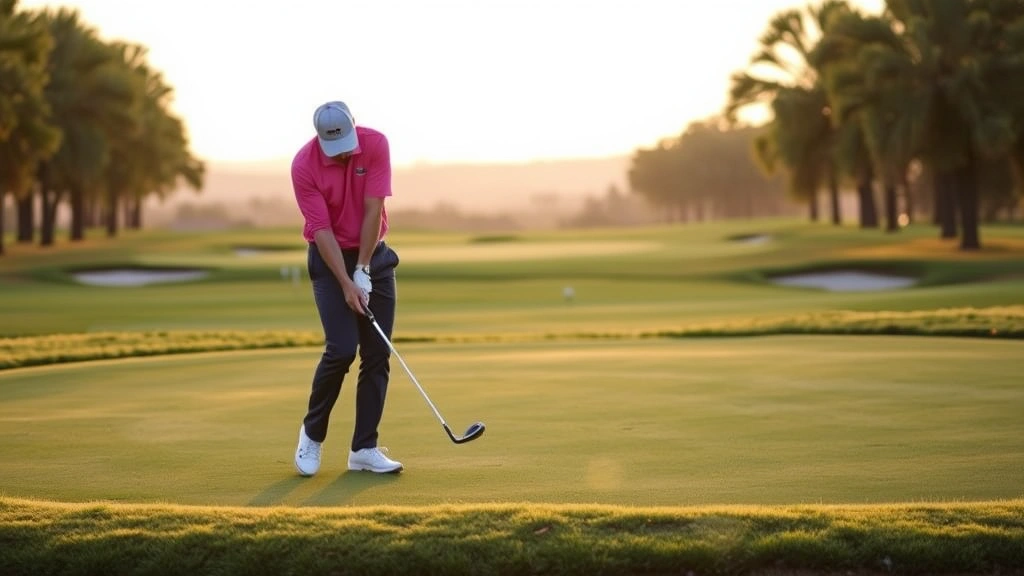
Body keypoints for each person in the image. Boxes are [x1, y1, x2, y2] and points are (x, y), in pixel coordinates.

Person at [291, 100, 402, 477]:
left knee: (377, 353)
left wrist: (365, 269)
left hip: (373, 255)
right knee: (341, 350)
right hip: (328, 258)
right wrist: (345, 281)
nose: (339, 157)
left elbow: (374, 209)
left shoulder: (375, 144)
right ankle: (312, 434)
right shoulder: (304, 165)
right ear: (319, 138)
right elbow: (320, 230)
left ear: (355, 126)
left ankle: (364, 449)